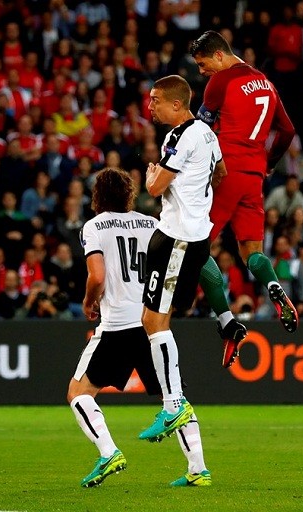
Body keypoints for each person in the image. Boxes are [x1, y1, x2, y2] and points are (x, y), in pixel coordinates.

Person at [69, 167, 210, 489]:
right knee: (175, 399)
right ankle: (198, 469)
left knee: (78, 393)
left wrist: (89, 301)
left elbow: (98, 276)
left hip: (117, 324)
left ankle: (108, 453)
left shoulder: (94, 226)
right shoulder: (154, 224)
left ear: (97, 196)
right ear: (129, 194)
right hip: (151, 322)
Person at [189, 30, 298, 367]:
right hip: (253, 175)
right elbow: (288, 130)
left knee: (195, 247)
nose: (203, 71)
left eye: (203, 64)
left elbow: (200, 130)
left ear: (219, 55)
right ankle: (274, 286)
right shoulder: (264, 82)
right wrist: (268, 165)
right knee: (251, 251)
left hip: (227, 171)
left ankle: (227, 323)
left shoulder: (221, 82)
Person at [136, 76, 223, 486]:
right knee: (156, 322)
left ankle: (173, 405)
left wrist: (155, 174)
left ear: (176, 104)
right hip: (196, 238)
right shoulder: (207, 132)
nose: (150, 106)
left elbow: (154, 187)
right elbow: (219, 173)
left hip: (176, 241)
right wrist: (194, 196)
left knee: (154, 323)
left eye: (155, 101)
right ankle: (196, 468)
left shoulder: (179, 135)